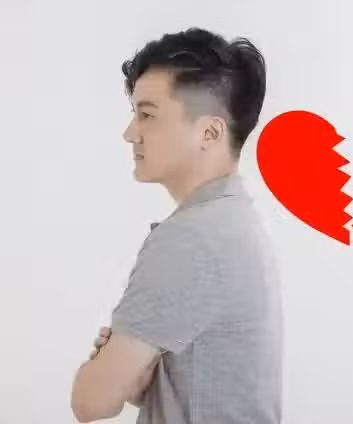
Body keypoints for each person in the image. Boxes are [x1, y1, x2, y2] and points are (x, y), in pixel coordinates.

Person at [70, 27, 283, 424]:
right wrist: (140, 378)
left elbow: (91, 402)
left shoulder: (191, 238)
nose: (130, 133)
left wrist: (110, 370)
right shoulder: (235, 220)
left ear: (209, 132)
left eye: (147, 115)